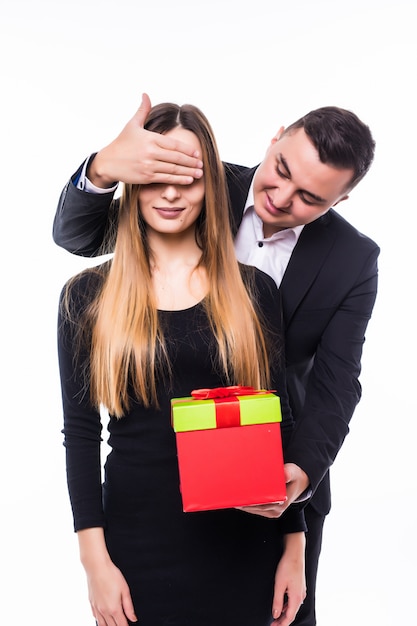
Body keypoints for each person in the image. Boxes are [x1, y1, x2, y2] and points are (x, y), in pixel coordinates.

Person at [53, 94, 380, 625]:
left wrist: (295, 488)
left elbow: (334, 386)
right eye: (280, 171)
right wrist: (104, 167)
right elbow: (76, 234)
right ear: (274, 139)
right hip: (146, 508)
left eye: (309, 197)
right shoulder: (193, 178)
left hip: (268, 491)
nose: (280, 196)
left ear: (337, 203)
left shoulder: (348, 262)